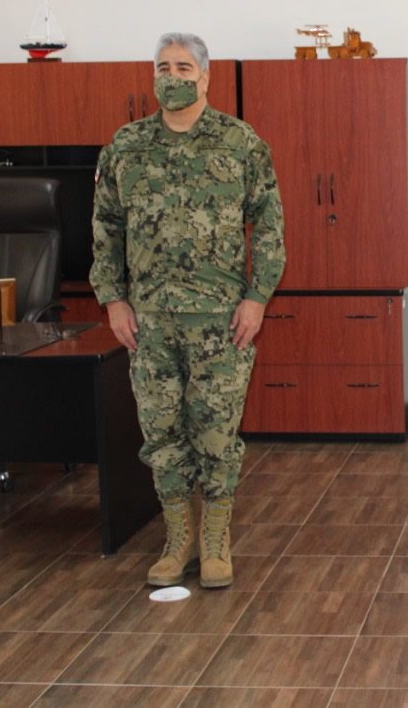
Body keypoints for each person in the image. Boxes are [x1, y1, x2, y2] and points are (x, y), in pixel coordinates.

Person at [90, 32, 285, 589]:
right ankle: (178, 539)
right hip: (148, 323)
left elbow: (269, 224)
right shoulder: (126, 147)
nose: (171, 76)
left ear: (204, 77)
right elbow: (105, 229)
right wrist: (112, 298)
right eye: (162, 66)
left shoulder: (239, 143)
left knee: (217, 434)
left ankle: (216, 540)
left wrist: (257, 297)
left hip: (221, 320)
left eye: (182, 67)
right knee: (162, 433)